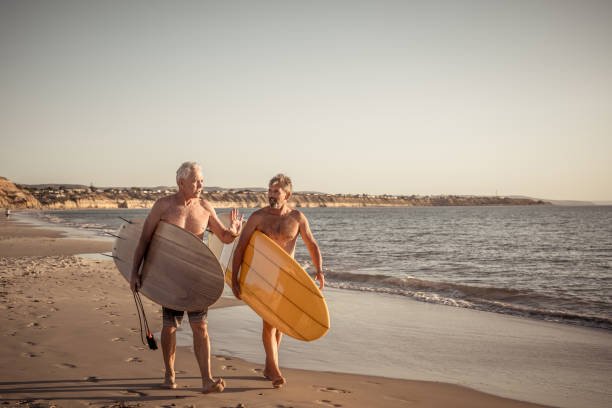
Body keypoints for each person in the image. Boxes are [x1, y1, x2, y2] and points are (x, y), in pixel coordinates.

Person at [130, 161, 243, 394]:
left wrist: (233, 231)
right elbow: (144, 239)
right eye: (195, 180)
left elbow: (223, 236)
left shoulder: (204, 207)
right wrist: (134, 272)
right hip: (170, 277)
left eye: (202, 180)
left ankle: (206, 380)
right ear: (180, 182)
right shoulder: (163, 206)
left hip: (196, 277)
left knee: (200, 327)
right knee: (169, 327)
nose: (201, 184)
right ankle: (169, 375)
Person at [231, 173, 324, 388]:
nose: (271, 195)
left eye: (276, 191)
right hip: (263, 277)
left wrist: (319, 270)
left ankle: (268, 366)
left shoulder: (297, 218)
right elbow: (241, 248)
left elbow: (312, 245)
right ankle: (274, 369)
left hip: (286, 278)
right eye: (270, 190)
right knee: (269, 322)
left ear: (287, 195)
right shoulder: (258, 217)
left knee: (279, 324)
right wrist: (235, 279)